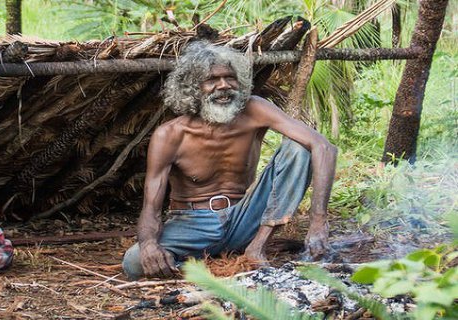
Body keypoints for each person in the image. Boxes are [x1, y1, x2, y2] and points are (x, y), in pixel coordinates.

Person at [122, 41, 337, 280]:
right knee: (134, 262)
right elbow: (151, 207)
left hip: (246, 217)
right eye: (212, 80)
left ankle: (256, 248)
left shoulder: (254, 109)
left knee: (299, 148)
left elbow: (323, 146)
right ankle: (213, 266)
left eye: (230, 77)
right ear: (193, 86)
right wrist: (149, 244)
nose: (223, 86)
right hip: (193, 224)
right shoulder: (170, 135)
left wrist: (318, 221)